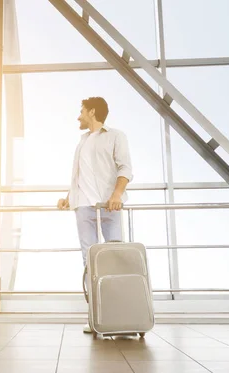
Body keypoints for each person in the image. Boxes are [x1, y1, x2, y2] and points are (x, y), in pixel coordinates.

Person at [57, 97, 133, 333]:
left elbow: (125, 168)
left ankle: (121, 318)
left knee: (115, 259)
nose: (78, 116)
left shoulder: (115, 135)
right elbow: (80, 176)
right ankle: (96, 316)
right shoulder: (82, 141)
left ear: (91, 111)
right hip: (83, 207)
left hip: (108, 206)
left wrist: (117, 195)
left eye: (81, 111)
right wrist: (69, 197)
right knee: (89, 262)